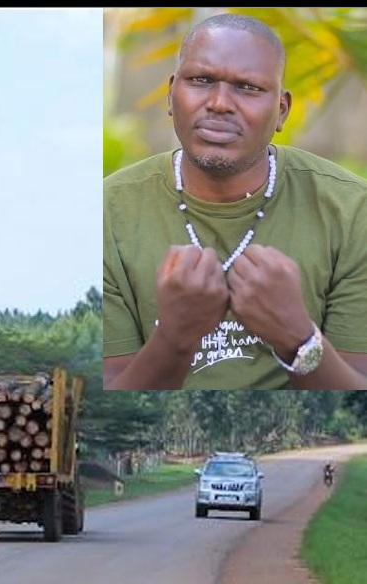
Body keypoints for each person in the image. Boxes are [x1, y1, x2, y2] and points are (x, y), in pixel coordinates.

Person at [103, 12, 367, 390]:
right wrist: (175, 337)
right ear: (170, 94)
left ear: (281, 111)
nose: (220, 103)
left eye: (248, 87)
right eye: (201, 80)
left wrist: (297, 337)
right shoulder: (106, 214)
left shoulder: (353, 210)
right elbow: (106, 395)